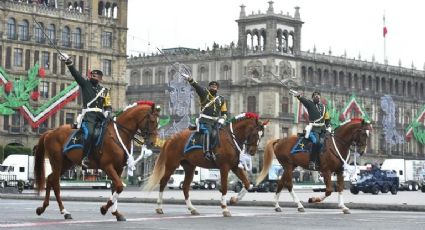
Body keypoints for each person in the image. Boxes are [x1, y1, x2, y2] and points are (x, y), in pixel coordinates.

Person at [59, 53, 112, 167]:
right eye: (92, 75)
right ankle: (85, 157)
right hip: (89, 116)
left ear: (100, 78)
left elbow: (108, 104)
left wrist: (108, 111)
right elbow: (76, 74)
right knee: (90, 134)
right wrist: (68, 62)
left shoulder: (104, 91)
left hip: (101, 117)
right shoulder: (85, 84)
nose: (93, 77)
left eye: (96, 76)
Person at [181, 73, 228, 161]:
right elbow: (196, 86)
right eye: (212, 86)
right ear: (209, 87)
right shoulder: (204, 94)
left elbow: (224, 112)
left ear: (217, 88)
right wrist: (189, 79)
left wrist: (222, 119)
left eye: (215, 87)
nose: (213, 88)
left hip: (216, 122)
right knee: (208, 132)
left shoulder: (221, 99)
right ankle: (206, 152)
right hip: (204, 120)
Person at [291, 90, 331, 170]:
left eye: (318, 96)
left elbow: (327, 118)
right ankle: (312, 161)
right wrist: (298, 96)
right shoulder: (310, 104)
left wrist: (328, 126)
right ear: (313, 98)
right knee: (316, 142)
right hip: (314, 129)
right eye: (315, 96)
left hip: (322, 129)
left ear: (320, 97)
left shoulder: (323, 107)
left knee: (324, 144)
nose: (317, 97)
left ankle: (322, 160)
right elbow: (303, 100)